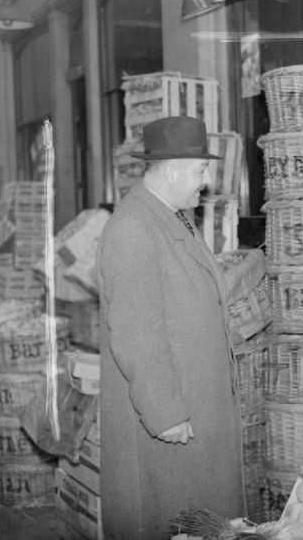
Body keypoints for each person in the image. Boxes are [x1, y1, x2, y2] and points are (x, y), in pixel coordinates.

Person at [96, 116, 244, 539]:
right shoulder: (134, 228)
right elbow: (136, 329)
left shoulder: (172, 217)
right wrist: (165, 412)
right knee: (171, 521)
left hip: (194, 402)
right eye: (200, 170)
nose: (205, 181)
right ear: (173, 168)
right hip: (170, 418)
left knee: (200, 524)